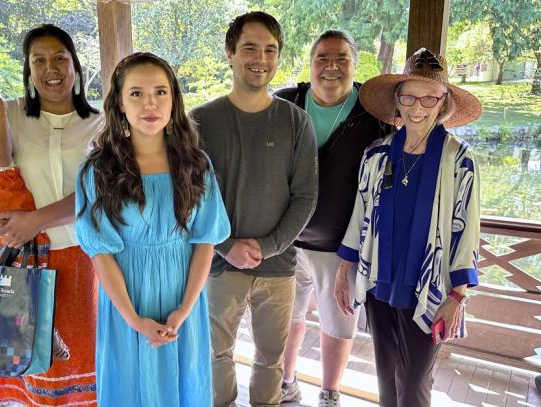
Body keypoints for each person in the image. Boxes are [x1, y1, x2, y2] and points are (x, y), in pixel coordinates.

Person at [0, 24, 101, 406]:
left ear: (75, 66)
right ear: (28, 70)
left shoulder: (101, 123)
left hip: (83, 256)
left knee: (80, 362)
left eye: (60, 58)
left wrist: (38, 219)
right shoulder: (4, 114)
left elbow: (105, 192)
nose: (51, 68)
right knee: (26, 363)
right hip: (21, 261)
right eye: (39, 60)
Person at [75, 52, 230, 407]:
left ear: (174, 100)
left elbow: (204, 242)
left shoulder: (195, 165)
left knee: (184, 384)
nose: (150, 103)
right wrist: (134, 319)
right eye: (136, 93)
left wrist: (184, 310)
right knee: (130, 386)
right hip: (126, 298)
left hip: (183, 297)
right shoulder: (96, 171)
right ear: (118, 102)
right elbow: (101, 253)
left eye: (161, 92)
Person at [334, 48, 482, 407]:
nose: (419, 107)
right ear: (397, 101)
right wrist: (344, 271)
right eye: (409, 97)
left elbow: (469, 230)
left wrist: (458, 296)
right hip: (379, 282)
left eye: (430, 97)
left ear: (443, 101)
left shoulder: (459, 159)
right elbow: (360, 213)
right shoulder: (377, 154)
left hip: (430, 286)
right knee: (386, 378)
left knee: (414, 383)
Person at [191, 11, 318, 407]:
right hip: (216, 263)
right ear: (230, 53)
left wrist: (270, 245)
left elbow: (306, 195)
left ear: (278, 57)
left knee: (271, 361)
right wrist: (227, 244)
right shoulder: (200, 122)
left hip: (278, 266)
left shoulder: (296, 121)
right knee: (214, 356)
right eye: (249, 47)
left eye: (269, 49)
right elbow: (188, 197)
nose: (259, 58)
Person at [274, 30, 393, 407]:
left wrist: (354, 254)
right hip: (286, 243)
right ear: (310, 64)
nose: (331, 66)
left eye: (341, 58)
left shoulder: (375, 115)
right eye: (322, 57)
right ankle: (285, 385)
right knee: (286, 320)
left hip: (342, 250)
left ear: (355, 64)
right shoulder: (285, 104)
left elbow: (383, 191)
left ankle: (330, 394)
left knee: (338, 323)